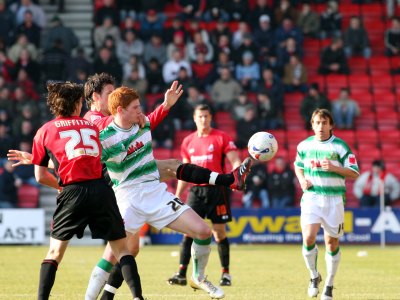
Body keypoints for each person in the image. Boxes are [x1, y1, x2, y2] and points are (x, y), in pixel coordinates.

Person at [8, 74, 252, 299]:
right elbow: (75, 154)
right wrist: (37, 159)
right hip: (119, 189)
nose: (113, 95)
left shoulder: (130, 122)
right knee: (121, 250)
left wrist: (163, 107)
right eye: (109, 92)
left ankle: (183, 277)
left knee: (136, 244)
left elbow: (77, 145)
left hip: (146, 188)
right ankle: (96, 297)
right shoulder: (94, 124)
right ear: (96, 98)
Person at [29, 82, 144, 300]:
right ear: (78, 103)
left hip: (72, 191)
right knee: (122, 250)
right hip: (101, 189)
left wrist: (62, 187)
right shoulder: (91, 126)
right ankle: (138, 297)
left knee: (55, 253)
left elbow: (40, 175)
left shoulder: (45, 130)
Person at [167, 104, 252, 288]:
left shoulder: (222, 137)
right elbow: (184, 172)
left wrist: (237, 176)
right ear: (194, 118)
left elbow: (235, 160)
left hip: (217, 191)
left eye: (206, 116)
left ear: (211, 117)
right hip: (195, 192)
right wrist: (177, 195)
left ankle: (226, 274)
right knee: (189, 232)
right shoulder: (188, 141)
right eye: (200, 116)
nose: (203, 120)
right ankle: (181, 273)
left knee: (219, 233)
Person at [294, 108, 359, 300]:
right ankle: (314, 276)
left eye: (324, 123)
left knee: (331, 243)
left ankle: (329, 285)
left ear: (331, 125)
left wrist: (334, 167)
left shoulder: (340, 147)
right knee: (308, 237)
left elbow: (354, 172)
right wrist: (302, 180)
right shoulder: (304, 146)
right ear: (312, 125)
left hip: (334, 200)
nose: (320, 126)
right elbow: (298, 166)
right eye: (317, 122)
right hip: (312, 197)